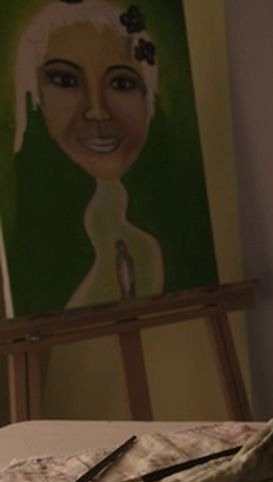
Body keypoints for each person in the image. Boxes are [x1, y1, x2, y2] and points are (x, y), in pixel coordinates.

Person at [10, 0, 163, 309]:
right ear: (33, 94)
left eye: (121, 83)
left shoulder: (149, 239)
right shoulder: (33, 245)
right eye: (66, 81)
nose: (97, 111)